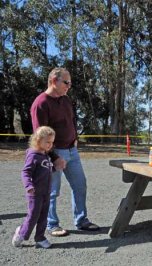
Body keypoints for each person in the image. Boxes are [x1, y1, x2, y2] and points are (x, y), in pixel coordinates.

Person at [30, 67, 99, 237]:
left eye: (70, 82)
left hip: (72, 150)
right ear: (54, 81)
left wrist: (75, 137)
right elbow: (40, 137)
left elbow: (72, 120)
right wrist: (54, 157)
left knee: (80, 185)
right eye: (66, 82)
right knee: (52, 191)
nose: (69, 86)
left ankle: (81, 220)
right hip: (53, 153)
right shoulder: (41, 104)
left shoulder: (66, 100)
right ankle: (52, 225)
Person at [12, 126, 56, 248]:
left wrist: (56, 168)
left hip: (46, 192)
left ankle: (40, 237)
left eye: (52, 142)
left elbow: (46, 170)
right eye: (47, 142)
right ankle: (21, 233)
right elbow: (25, 172)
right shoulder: (33, 155)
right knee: (33, 216)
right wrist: (28, 186)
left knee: (43, 216)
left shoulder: (45, 155)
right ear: (38, 140)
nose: (50, 145)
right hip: (35, 193)